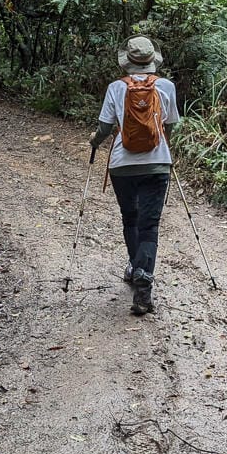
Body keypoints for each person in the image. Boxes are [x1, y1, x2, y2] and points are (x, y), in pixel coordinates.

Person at [88, 36, 180, 315]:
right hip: (157, 165)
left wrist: (94, 141)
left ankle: (135, 267)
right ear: (153, 60)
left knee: (130, 217)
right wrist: (160, 145)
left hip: (122, 166)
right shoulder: (166, 86)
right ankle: (143, 284)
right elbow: (170, 126)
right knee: (149, 225)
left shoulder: (116, 88)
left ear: (127, 61)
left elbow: (104, 128)